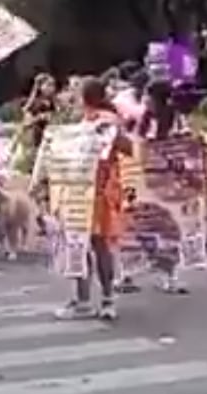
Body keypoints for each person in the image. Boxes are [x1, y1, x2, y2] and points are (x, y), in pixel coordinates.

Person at [54, 78, 130, 320]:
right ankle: (90, 299)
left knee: (93, 244)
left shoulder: (105, 121)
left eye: (75, 93)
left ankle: (97, 300)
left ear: (84, 97)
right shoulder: (85, 122)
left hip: (98, 191)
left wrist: (109, 139)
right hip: (84, 190)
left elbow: (125, 147)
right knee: (85, 244)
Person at [137, 79, 196, 295]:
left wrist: (180, 165)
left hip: (170, 182)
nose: (145, 100)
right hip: (146, 180)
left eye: (148, 96)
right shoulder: (144, 120)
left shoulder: (177, 121)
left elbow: (187, 148)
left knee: (169, 229)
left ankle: (170, 275)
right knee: (143, 228)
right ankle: (140, 267)